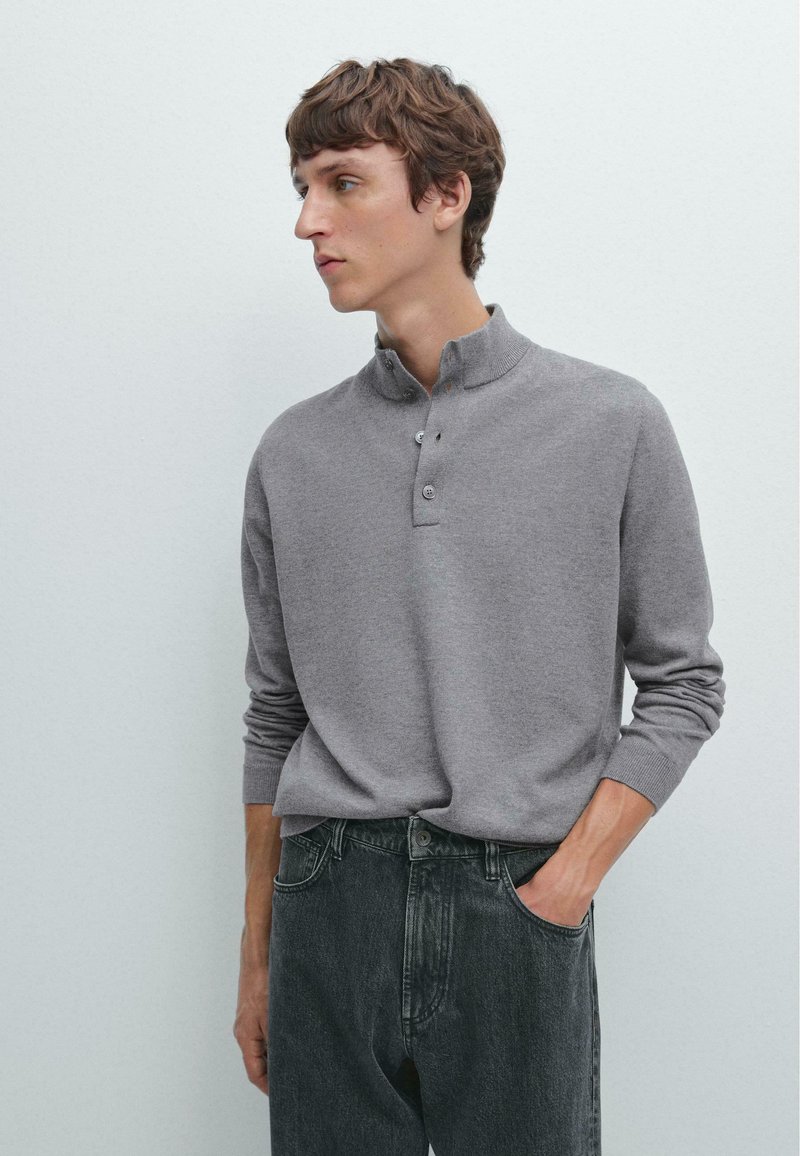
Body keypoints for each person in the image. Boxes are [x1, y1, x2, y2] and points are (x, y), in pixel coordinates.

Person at [232, 56, 726, 1156]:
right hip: (330, 906)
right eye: (302, 189)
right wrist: (257, 958)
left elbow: (684, 683)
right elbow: (273, 715)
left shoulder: (610, 423)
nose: (308, 221)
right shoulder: (293, 451)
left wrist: (567, 880)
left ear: (446, 194)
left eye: (342, 183)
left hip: (515, 905)